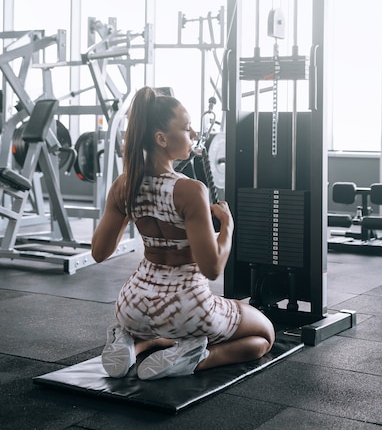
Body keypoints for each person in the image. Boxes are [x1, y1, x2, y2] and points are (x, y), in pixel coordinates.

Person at [91, 86, 275, 381]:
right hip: (185, 308)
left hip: (132, 306)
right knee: (265, 335)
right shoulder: (190, 190)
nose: (193, 135)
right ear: (161, 139)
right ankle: (195, 358)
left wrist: (132, 207)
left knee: (193, 320)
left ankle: (131, 343)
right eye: (187, 129)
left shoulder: (123, 185)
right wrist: (227, 226)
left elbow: (99, 253)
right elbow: (212, 268)